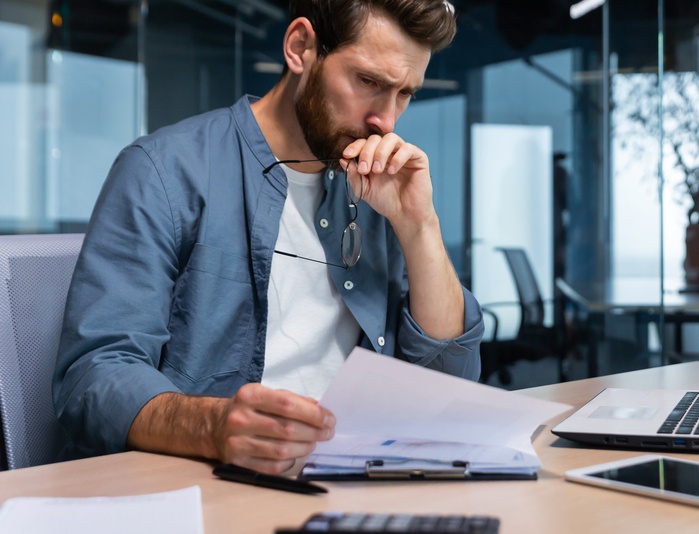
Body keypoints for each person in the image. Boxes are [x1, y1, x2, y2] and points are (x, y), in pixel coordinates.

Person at [53, 0, 483, 475]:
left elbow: (450, 384)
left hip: (354, 475)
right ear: (301, 48)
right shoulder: (164, 171)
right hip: (211, 485)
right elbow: (94, 377)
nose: (386, 120)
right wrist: (213, 428)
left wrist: (418, 225)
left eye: (405, 94)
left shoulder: (377, 188)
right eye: (368, 82)